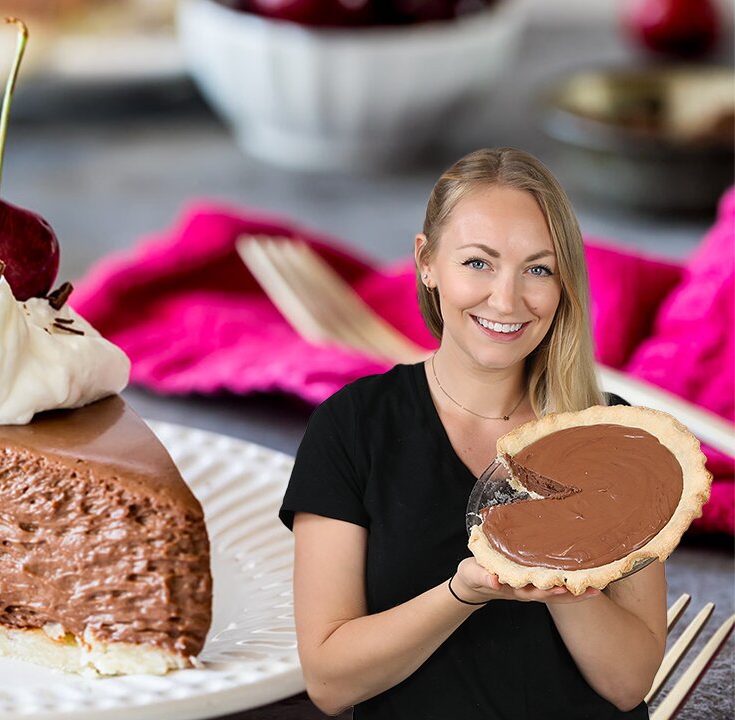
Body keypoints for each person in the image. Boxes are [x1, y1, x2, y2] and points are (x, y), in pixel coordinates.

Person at [279, 147, 666, 719]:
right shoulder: (352, 426)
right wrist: (463, 593)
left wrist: (557, 576)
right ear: (427, 263)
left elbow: (627, 682)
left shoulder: (613, 436)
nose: (506, 300)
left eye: (538, 269)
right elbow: (331, 683)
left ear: (564, 287)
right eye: (478, 263)